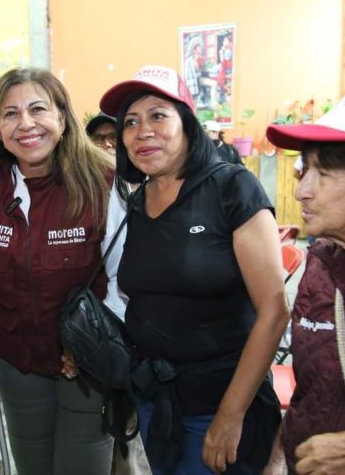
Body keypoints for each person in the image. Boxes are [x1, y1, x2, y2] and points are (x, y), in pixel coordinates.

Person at [98, 65, 289, 474]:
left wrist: (231, 416)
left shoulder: (232, 188)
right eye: (130, 121)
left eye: (158, 115)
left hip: (220, 404)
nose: (142, 131)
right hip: (157, 402)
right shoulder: (136, 202)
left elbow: (274, 309)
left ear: (187, 124)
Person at [0, 67, 115, 475]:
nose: (26, 123)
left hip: (86, 364)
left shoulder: (103, 183)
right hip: (17, 361)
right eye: (10, 114)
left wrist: (91, 344)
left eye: (38, 109)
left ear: (63, 119)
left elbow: (124, 279)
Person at [263, 79, 345, 475]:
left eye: (325, 173)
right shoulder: (320, 263)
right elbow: (311, 391)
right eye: (304, 170)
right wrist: (278, 462)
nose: (302, 192)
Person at [87, 111, 151, 475]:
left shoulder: (147, 190)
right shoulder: (83, 194)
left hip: (141, 330)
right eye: (98, 140)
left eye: (114, 138)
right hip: (103, 330)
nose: (107, 146)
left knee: (135, 425)